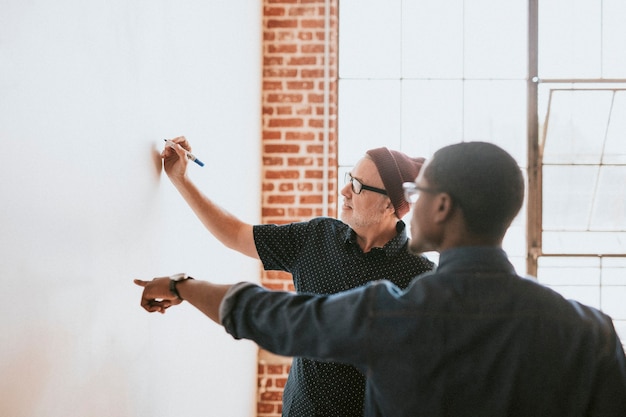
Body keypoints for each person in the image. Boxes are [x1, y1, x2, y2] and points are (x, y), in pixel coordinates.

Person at [136, 141, 626, 416]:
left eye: (421, 191)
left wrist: (182, 286)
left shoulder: (396, 308)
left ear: (440, 206)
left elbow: (271, 315)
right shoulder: (594, 334)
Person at [156, 136, 435, 416]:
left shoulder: (422, 278)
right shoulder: (317, 236)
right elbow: (236, 234)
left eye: (358, 186)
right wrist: (181, 179)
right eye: (349, 177)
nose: (344, 190)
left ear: (390, 206)